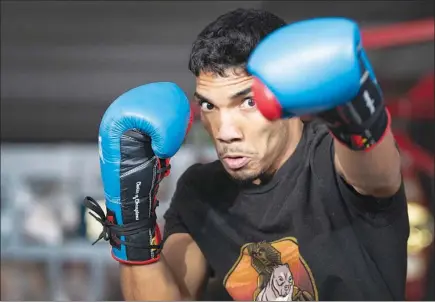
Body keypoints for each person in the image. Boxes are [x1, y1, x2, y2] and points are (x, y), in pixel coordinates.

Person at [84, 8, 409, 301]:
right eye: (209, 106)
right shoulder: (202, 191)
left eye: (248, 102)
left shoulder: (331, 156)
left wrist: (356, 108)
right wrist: (131, 222)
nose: (225, 131)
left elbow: (377, 176)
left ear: (285, 95)